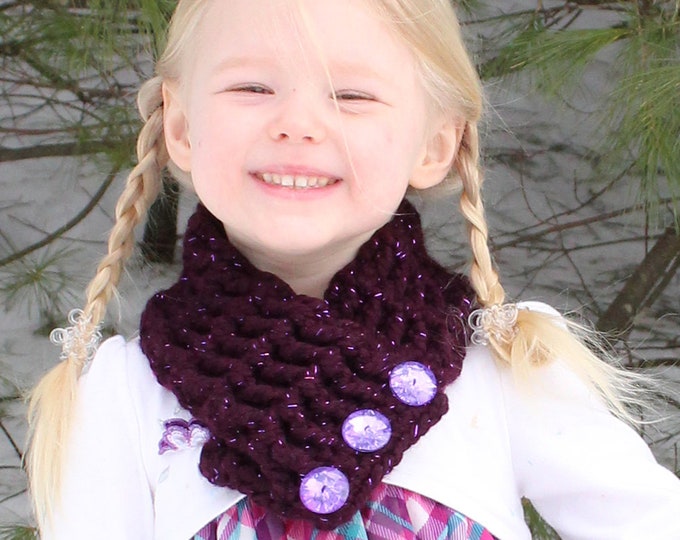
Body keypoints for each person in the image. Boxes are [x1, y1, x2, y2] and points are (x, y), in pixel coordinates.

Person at [27, 1, 680, 538]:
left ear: (435, 144)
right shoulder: (123, 400)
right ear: (181, 127)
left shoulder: (506, 367)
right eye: (253, 87)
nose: (297, 124)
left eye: (352, 95)